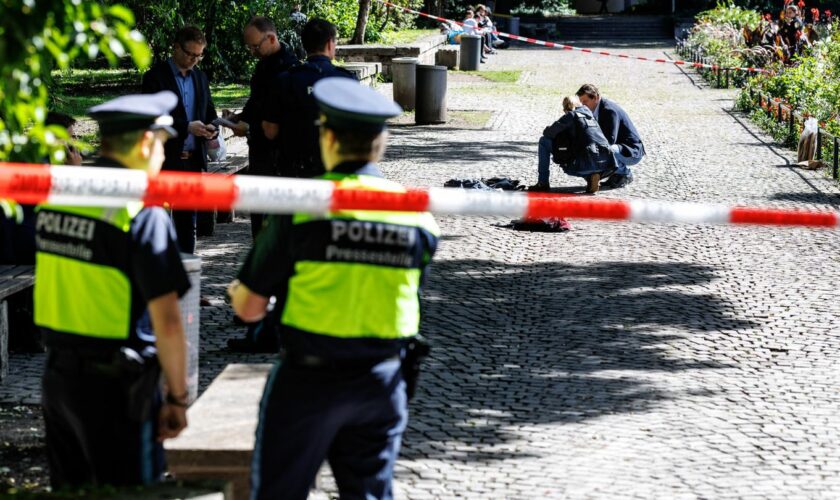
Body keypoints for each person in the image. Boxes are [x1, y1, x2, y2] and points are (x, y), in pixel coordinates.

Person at [228, 77, 439, 499]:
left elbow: (249, 309)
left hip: (309, 381)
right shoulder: (417, 217)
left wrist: (243, 292)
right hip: (382, 382)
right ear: (380, 142)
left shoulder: (304, 207)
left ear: (327, 137)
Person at [35, 92, 191, 488]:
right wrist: (177, 396)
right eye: (162, 143)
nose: (163, 155)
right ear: (144, 142)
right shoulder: (139, 209)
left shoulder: (62, 195)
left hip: (58, 381)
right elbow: (169, 323)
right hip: (118, 390)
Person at [141, 26, 218, 254]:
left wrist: (212, 127)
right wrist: (185, 127)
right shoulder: (155, 77)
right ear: (176, 47)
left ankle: (188, 281)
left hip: (192, 161)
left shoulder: (200, 77)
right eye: (189, 54)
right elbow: (151, 120)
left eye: (199, 55)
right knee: (159, 225)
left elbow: (209, 111)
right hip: (164, 161)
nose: (194, 60)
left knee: (187, 226)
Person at [225, 16, 299, 240]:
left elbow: (279, 119)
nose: (252, 52)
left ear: (272, 38)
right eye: (249, 47)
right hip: (259, 151)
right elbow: (257, 102)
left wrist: (249, 127)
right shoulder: (263, 65)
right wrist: (238, 117)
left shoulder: (288, 68)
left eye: (255, 46)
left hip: (278, 156)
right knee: (258, 220)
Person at [529, 96, 616, 194]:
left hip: (584, 163)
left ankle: (542, 182)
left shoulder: (571, 115)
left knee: (543, 141)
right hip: (606, 165)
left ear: (565, 109)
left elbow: (548, 133)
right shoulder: (591, 117)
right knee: (580, 149)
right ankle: (591, 177)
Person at [576, 83, 644, 189]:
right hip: (620, 148)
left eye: (585, 101)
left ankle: (626, 173)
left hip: (631, 151)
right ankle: (616, 173)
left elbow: (610, 140)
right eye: (581, 102)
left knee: (607, 150)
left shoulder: (609, 110)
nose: (583, 105)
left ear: (596, 98)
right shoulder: (595, 108)